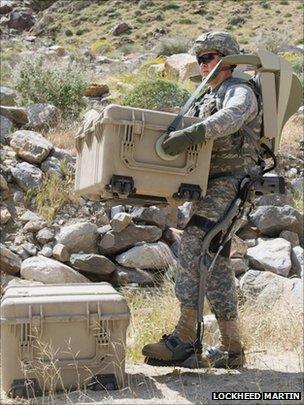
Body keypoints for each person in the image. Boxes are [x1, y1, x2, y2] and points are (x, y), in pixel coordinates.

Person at [142, 31, 262, 368]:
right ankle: (232, 348)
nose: (202, 64)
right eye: (199, 59)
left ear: (225, 60)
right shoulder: (205, 96)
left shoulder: (239, 89)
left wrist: (193, 133)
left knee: (194, 242)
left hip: (231, 183)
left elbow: (234, 116)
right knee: (216, 262)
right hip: (204, 187)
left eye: (208, 57)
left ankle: (184, 338)